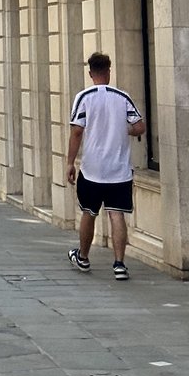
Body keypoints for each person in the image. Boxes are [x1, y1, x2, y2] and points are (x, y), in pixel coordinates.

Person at [66, 51, 145, 281]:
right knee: (116, 214)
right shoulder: (122, 97)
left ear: (90, 73)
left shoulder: (84, 97)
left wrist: (70, 162)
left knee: (89, 212)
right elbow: (139, 127)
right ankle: (119, 264)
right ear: (109, 71)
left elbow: (77, 131)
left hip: (92, 168)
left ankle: (83, 257)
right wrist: (124, 129)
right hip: (119, 169)